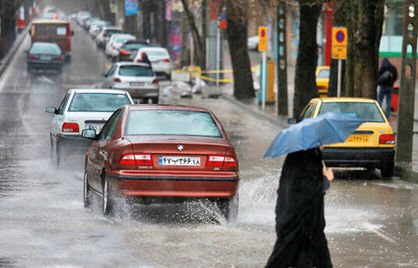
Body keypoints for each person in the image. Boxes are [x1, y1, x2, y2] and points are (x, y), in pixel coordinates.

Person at [266, 147, 334, 268]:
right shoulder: (307, 157)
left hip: (304, 223)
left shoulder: (303, 154)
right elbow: (310, 189)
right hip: (299, 223)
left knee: (308, 260)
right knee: (280, 259)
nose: (325, 143)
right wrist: (326, 178)